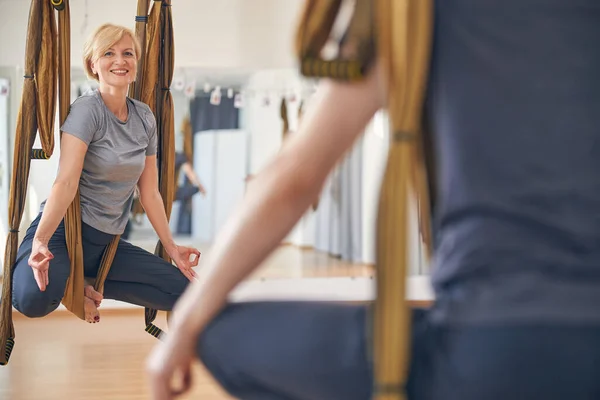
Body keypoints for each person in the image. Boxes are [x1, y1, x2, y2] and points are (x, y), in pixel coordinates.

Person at [146, 1, 600, 399]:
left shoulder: (414, 10)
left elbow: (293, 178)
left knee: (216, 331)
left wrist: (185, 323)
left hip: (487, 348)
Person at [11, 23, 201, 324]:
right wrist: (41, 241)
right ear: (93, 64)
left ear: (136, 63)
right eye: (109, 53)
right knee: (33, 299)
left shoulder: (144, 117)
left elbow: (149, 192)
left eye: (128, 53)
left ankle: (83, 281)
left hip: (105, 245)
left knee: (187, 292)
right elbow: (66, 180)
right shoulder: (88, 110)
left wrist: (172, 248)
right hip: (64, 231)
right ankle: (73, 288)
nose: (120, 60)